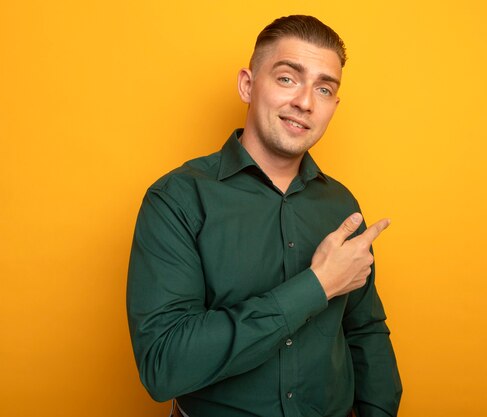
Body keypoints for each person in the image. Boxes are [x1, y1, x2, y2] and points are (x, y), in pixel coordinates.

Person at [127, 15, 402, 417]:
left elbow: (365, 332)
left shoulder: (341, 205)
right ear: (248, 84)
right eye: (288, 78)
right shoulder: (177, 200)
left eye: (324, 89)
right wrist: (317, 285)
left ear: (333, 106)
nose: (305, 102)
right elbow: (164, 364)